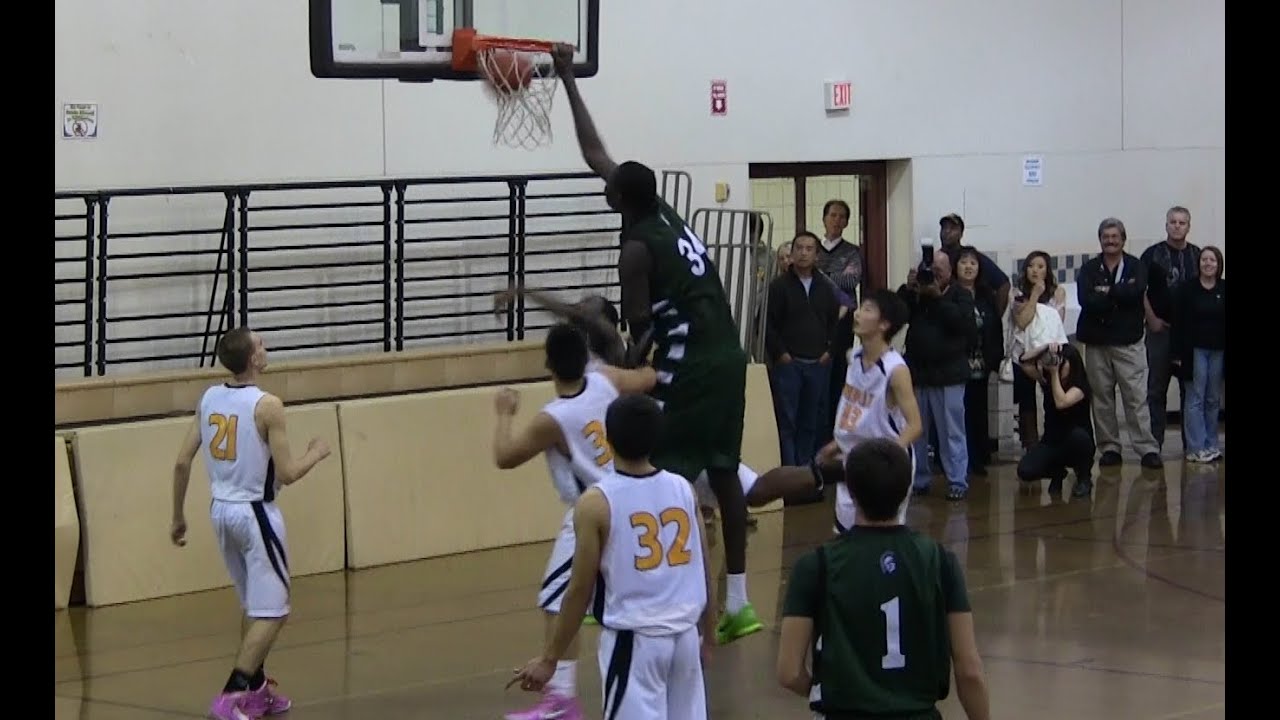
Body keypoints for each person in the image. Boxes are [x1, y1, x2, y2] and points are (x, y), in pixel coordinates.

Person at [551, 43, 760, 643]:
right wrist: (568, 78)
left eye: (610, 187)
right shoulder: (661, 211)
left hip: (689, 362)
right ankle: (738, 604)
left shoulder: (635, 251)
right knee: (723, 472)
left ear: (619, 199)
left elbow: (639, 330)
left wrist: (606, 346)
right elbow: (597, 154)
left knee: (647, 469)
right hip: (731, 353)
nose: (605, 184)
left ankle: (635, 590)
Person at [492, 323, 660, 720]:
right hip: (636, 494)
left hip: (595, 506)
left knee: (557, 597)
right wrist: (651, 362)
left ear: (548, 365)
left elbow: (504, 456)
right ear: (586, 359)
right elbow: (647, 379)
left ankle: (561, 700)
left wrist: (504, 414)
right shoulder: (605, 379)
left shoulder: (553, 418)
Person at [510, 393, 715, 720]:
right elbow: (704, 568)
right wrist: (709, 634)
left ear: (608, 437)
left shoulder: (596, 503)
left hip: (635, 643)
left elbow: (579, 589)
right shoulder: (683, 489)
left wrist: (550, 659)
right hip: (686, 638)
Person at [169, 327, 332, 720]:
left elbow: (181, 462)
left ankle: (256, 691)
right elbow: (288, 473)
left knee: (254, 604)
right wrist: (316, 453)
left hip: (221, 510)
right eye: (260, 344)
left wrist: (177, 516)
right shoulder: (268, 405)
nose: (266, 347)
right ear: (253, 359)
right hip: (255, 512)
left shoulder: (209, 397)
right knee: (275, 612)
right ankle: (232, 693)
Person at [776, 439, 990, 720]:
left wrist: (832, 692)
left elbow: (789, 672)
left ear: (850, 491)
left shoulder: (816, 565)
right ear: (906, 489)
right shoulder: (939, 561)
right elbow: (969, 670)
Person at [743, 289, 924, 534]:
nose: (857, 314)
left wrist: (887, 456)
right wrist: (837, 443)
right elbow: (857, 412)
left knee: (878, 535)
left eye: (867, 309)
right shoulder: (855, 358)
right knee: (845, 532)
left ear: (884, 324)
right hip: (852, 458)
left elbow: (915, 425)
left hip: (885, 464)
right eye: (860, 307)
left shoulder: (895, 370)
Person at [1016, 343, 1096, 499]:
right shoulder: (1047, 380)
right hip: (1052, 442)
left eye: (1062, 363)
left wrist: (1053, 375)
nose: (1058, 367)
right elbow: (1024, 362)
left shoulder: (1080, 387)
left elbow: (1061, 402)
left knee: (1079, 438)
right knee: (1025, 470)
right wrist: (1046, 348)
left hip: (1076, 442)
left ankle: (1084, 477)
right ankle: (1057, 473)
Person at [1171, 245, 1226, 463]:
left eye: (1212, 260)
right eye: (1204, 259)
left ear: (1219, 264)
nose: (1208, 263)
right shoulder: (1187, 289)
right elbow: (1177, 323)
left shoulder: (1223, 288)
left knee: (1213, 399)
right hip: (1194, 351)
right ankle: (1195, 447)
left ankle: (1211, 444)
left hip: (1218, 351)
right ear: (1199, 263)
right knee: (1195, 398)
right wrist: (1176, 353)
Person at [494, 285, 628, 368]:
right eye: (583, 302)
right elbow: (556, 306)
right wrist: (520, 291)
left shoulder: (612, 340)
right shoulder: (583, 345)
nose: (581, 305)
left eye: (588, 304)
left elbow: (565, 309)